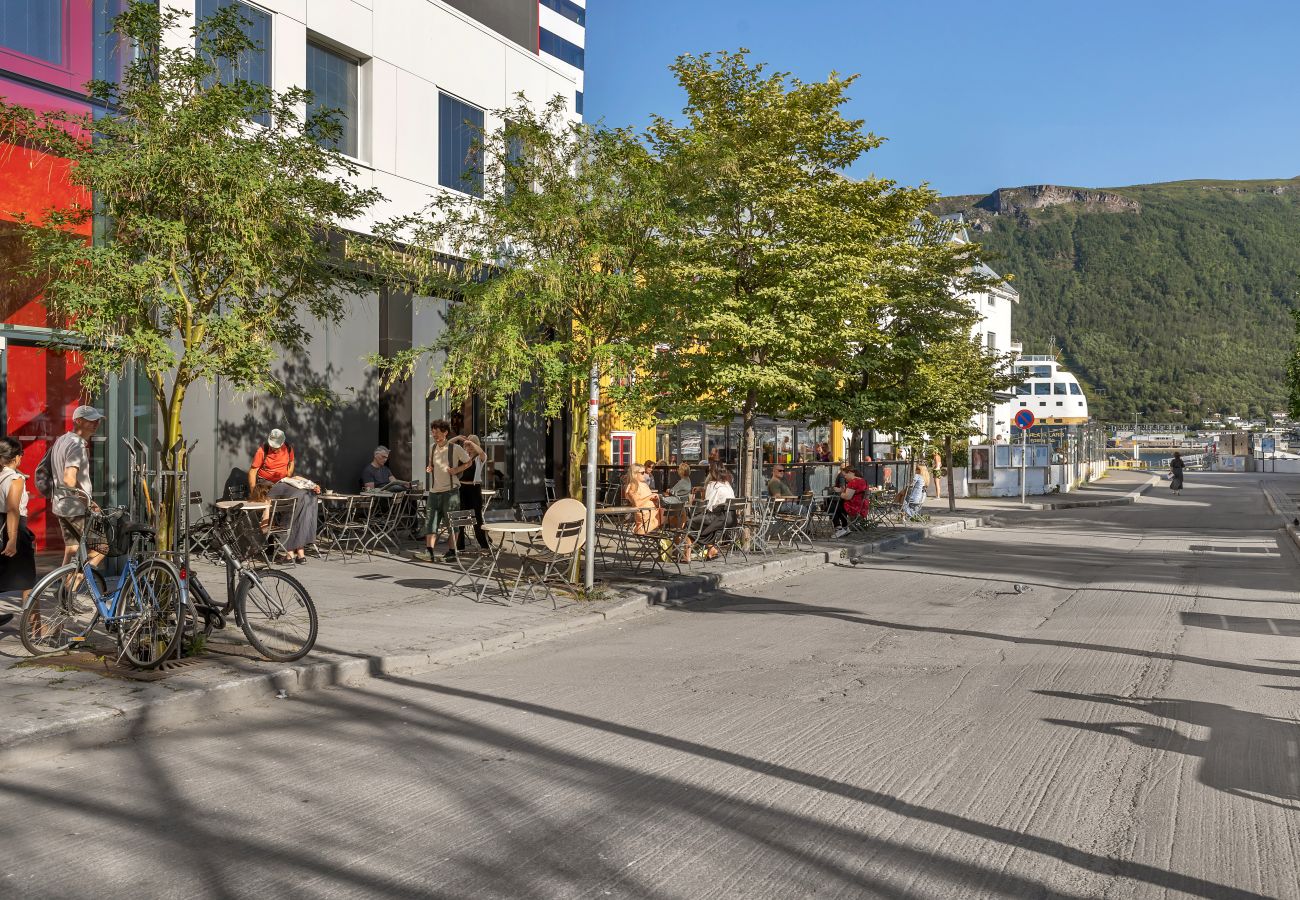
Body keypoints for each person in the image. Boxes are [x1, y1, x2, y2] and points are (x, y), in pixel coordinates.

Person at [50, 405, 106, 569]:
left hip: (61, 505)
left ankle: (64, 591)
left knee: (72, 548)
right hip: (77, 508)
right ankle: (73, 584)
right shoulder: (77, 445)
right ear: (78, 421)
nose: (95, 423)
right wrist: (88, 503)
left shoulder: (62, 440)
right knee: (101, 548)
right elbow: (69, 479)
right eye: (90, 420)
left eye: (97, 420)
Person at [0, 437, 36, 625]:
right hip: (14, 529)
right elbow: (13, 509)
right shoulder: (15, 479)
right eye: (21, 454)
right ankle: (36, 627)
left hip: (1, 524)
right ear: (14, 457)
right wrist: (12, 539)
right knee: (28, 579)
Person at [423, 419, 470, 562]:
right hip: (434, 491)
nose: (434, 435)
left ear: (445, 432)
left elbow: (469, 462)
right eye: (433, 432)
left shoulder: (455, 448)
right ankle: (429, 552)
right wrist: (429, 468)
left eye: (437, 432)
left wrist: (457, 469)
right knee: (431, 522)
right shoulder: (432, 448)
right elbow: (431, 465)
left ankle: (452, 552)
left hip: (450, 492)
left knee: (451, 523)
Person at [253, 476, 321, 564]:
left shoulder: (271, 492)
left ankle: (290, 556)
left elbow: (266, 515)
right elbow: (297, 477)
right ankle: (301, 556)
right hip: (311, 497)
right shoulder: (284, 483)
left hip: (300, 500)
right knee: (299, 525)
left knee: (286, 525)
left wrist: (261, 530)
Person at [687, 462, 734, 559]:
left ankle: (687, 555)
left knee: (689, 522)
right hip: (731, 519)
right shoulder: (727, 484)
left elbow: (708, 506)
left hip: (719, 518)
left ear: (712, 472)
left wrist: (694, 503)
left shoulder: (713, 484)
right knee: (699, 522)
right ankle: (710, 549)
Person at [454, 433, 490, 551]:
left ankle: (484, 545)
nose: (467, 446)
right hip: (462, 489)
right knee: (461, 518)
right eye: (466, 444)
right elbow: (448, 445)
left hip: (474, 489)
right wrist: (459, 438)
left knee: (477, 518)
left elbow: (481, 452)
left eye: (470, 444)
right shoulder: (462, 456)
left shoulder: (479, 458)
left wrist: (472, 443)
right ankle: (460, 546)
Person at [248, 428, 295, 495]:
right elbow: (252, 472)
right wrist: (253, 492)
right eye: (273, 446)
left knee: (295, 493)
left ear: (282, 443)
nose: (274, 449)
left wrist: (289, 475)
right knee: (275, 493)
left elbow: (291, 462)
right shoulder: (262, 451)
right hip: (266, 481)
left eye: (277, 447)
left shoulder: (288, 448)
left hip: (283, 481)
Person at [623, 463, 663, 534]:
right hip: (647, 517)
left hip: (653, 514)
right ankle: (684, 541)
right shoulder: (633, 485)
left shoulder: (643, 484)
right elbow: (637, 503)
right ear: (635, 474)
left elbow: (646, 499)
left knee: (678, 512)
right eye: (642, 473)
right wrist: (650, 496)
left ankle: (683, 541)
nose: (645, 474)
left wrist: (654, 499)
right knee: (678, 512)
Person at [834, 466, 869, 538]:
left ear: (850, 473)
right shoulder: (863, 481)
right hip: (862, 507)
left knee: (833, 506)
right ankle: (844, 527)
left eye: (845, 475)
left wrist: (839, 493)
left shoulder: (853, 482)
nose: (845, 477)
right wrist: (841, 491)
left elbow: (847, 496)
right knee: (837, 506)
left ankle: (839, 528)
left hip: (853, 508)